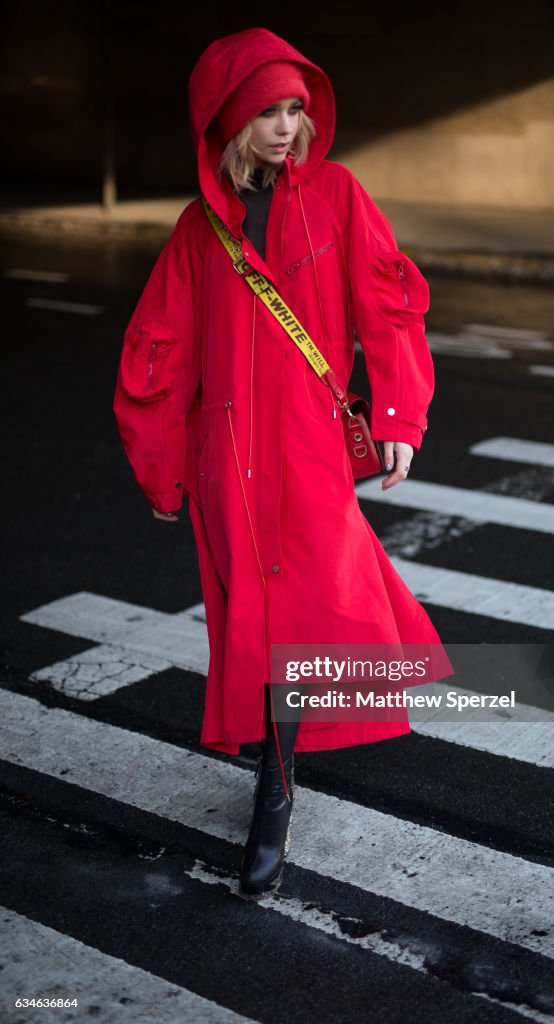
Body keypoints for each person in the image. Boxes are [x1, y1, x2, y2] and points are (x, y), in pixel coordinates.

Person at [113, 26, 452, 900]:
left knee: (309, 604)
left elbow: (387, 302)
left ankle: (274, 781)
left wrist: (398, 412)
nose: (285, 126)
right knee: (255, 619)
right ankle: (275, 767)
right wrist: (160, 466)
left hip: (306, 447)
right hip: (225, 454)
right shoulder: (198, 230)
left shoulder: (337, 194)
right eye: (266, 111)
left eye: (295, 108)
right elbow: (160, 352)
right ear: (230, 123)